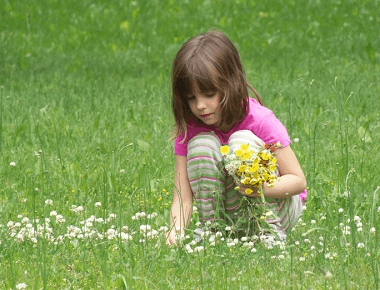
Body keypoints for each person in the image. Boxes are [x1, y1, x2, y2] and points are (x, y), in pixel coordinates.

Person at [167, 30, 307, 245]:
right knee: (202, 145)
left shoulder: (260, 120)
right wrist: (175, 233)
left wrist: (258, 187)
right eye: (191, 98)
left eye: (209, 94)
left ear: (230, 84)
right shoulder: (190, 128)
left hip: (277, 208)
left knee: (241, 142)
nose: (200, 105)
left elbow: (298, 181)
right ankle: (212, 232)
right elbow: (182, 197)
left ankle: (267, 233)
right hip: (232, 214)